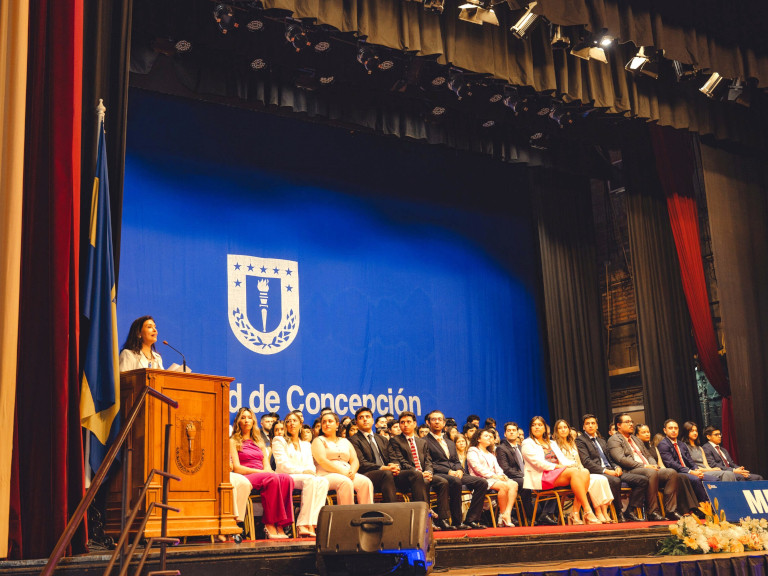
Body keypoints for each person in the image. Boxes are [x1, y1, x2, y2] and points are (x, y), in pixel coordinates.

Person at [229, 408, 294, 539]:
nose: (246, 420)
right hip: (246, 475)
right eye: (243, 417)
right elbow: (236, 468)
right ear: (238, 422)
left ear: (254, 421)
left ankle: (281, 525)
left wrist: (268, 471)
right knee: (271, 478)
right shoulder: (233, 441)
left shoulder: (259, 442)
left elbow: (267, 466)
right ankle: (269, 524)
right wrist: (263, 472)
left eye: (249, 417)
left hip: (263, 474)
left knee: (287, 479)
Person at [522, 417, 600, 525]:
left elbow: (563, 460)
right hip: (541, 476)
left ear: (545, 428)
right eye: (534, 425)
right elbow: (538, 463)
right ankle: (588, 511)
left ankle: (575, 513)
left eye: (540, 425)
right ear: (530, 428)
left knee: (585, 472)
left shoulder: (551, 443)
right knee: (575, 473)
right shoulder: (527, 443)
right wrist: (558, 467)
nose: (536, 427)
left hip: (556, 473)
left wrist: (570, 466)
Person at [607, 413, 681, 521]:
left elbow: (648, 455)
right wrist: (646, 466)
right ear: (618, 425)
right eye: (627, 422)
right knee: (651, 473)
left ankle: (671, 510)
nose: (631, 424)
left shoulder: (635, 439)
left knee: (671, 473)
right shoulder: (614, 439)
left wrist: (654, 465)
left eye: (631, 422)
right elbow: (621, 459)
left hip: (647, 468)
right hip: (629, 471)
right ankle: (652, 512)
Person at [575, 414, 648, 522]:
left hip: (612, 471)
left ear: (597, 426)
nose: (590, 426)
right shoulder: (580, 441)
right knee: (615, 480)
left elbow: (611, 459)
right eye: (587, 424)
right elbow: (587, 462)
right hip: (597, 473)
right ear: (583, 427)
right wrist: (606, 471)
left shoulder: (602, 441)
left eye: (593, 423)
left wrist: (617, 467)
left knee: (643, 480)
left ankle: (630, 510)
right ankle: (619, 512)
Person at [350, 407, 429, 505]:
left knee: (415, 474)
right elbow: (361, 463)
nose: (365, 419)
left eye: (367, 417)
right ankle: (394, 513)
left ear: (372, 421)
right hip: (368, 474)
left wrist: (395, 466)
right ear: (356, 423)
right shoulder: (353, 440)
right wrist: (384, 468)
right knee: (386, 474)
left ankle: (421, 512)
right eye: (361, 417)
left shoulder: (382, 439)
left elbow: (393, 457)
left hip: (389, 472)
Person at [389, 411, 453, 531]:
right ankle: (426, 518)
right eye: (402, 422)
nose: (405, 425)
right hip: (406, 476)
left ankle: (443, 519)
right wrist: (418, 472)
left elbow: (428, 461)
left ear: (414, 424)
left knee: (443, 482)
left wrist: (428, 471)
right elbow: (401, 461)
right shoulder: (395, 441)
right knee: (421, 479)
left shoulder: (422, 442)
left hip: (424, 474)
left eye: (408, 422)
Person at [425, 410, 488, 530]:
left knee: (482, 483)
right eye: (433, 419)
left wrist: (459, 469)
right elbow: (429, 463)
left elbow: (456, 461)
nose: (437, 422)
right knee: (455, 481)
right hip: (439, 474)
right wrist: (449, 472)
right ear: (428, 423)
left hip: (455, 473)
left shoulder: (449, 442)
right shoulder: (424, 441)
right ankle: (456, 521)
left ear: (444, 423)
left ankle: (472, 519)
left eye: (439, 419)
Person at [271, 412, 329, 537]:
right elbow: (283, 464)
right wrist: (303, 472)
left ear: (300, 424)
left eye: (294, 421)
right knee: (310, 480)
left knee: (323, 481)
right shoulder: (279, 440)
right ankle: (302, 524)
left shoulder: (306, 444)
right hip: (285, 476)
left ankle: (313, 524)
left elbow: (310, 464)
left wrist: (310, 472)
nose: (291, 423)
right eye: (288, 421)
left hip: (304, 476)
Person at [496, 422, 557, 526]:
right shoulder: (501, 448)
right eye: (509, 431)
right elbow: (505, 469)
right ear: (505, 434)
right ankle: (530, 517)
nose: (511, 432)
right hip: (512, 478)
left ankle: (546, 513)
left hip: (528, 475)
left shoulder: (521, 448)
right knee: (525, 483)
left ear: (517, 433)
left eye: (514, 430)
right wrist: (525, 476)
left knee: (553, 480)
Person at [554, 419, 614, 523]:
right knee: (592, 481)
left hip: (579, 471)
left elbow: (579, 462)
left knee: (601, 479)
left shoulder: (572, 443)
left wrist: (583, 471)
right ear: (556, 430)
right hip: (566, 474)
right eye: (560, 428)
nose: (563, 430)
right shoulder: (554, 445)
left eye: (565, 427)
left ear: (568, 429)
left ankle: (604, 511)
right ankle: (597, 512)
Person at [635, 424, 700, 516]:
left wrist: (664, 471)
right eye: (643, 432)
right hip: (647, 473)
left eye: (648, 432)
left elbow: (661, 465)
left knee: (681, 476)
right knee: (678, 476)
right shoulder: (637, 449)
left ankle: (692, 509)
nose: (647, 434)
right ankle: (683, 510)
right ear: (637, 435)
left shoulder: (653, 448)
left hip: (658, 471)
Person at [312, 412, 374, 505]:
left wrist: (352, 471)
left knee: (365, 482)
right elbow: (322, 461)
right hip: (325, 474)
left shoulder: (345, 441)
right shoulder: (318, 440)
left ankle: (367, 514)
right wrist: (342, 472)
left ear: (337, 425)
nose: (327, 424)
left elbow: (354, 460)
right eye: (324, 422)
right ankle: (346, 517)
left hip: (346, 472)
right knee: (345, 482)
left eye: (330, 421)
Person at [657, 419, 717, 503]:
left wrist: (696, 469)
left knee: (714, 480)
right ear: (665, 430)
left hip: (689, 471)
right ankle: (707, 505)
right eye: (670, 428)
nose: (673, 430)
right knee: (696, 480)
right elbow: (671, 464)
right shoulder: (663, 445)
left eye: (676, 428)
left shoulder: (682, 444)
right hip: (677, 473)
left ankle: (719, 504)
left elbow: (690, 461)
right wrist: (690, 471)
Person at [467, 428, 517, 527]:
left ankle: (507, 513)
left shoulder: (491, 454)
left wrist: (502, 476)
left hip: (493, 478)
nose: (489, 438)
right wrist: (494, 476)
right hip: (480, 479)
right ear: (478, 439)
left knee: (514, 484)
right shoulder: (472, 450)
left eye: (490, 436)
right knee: (503, 486)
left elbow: (498, 468)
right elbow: (477, 467)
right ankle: (502, 515)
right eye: (486, 436)